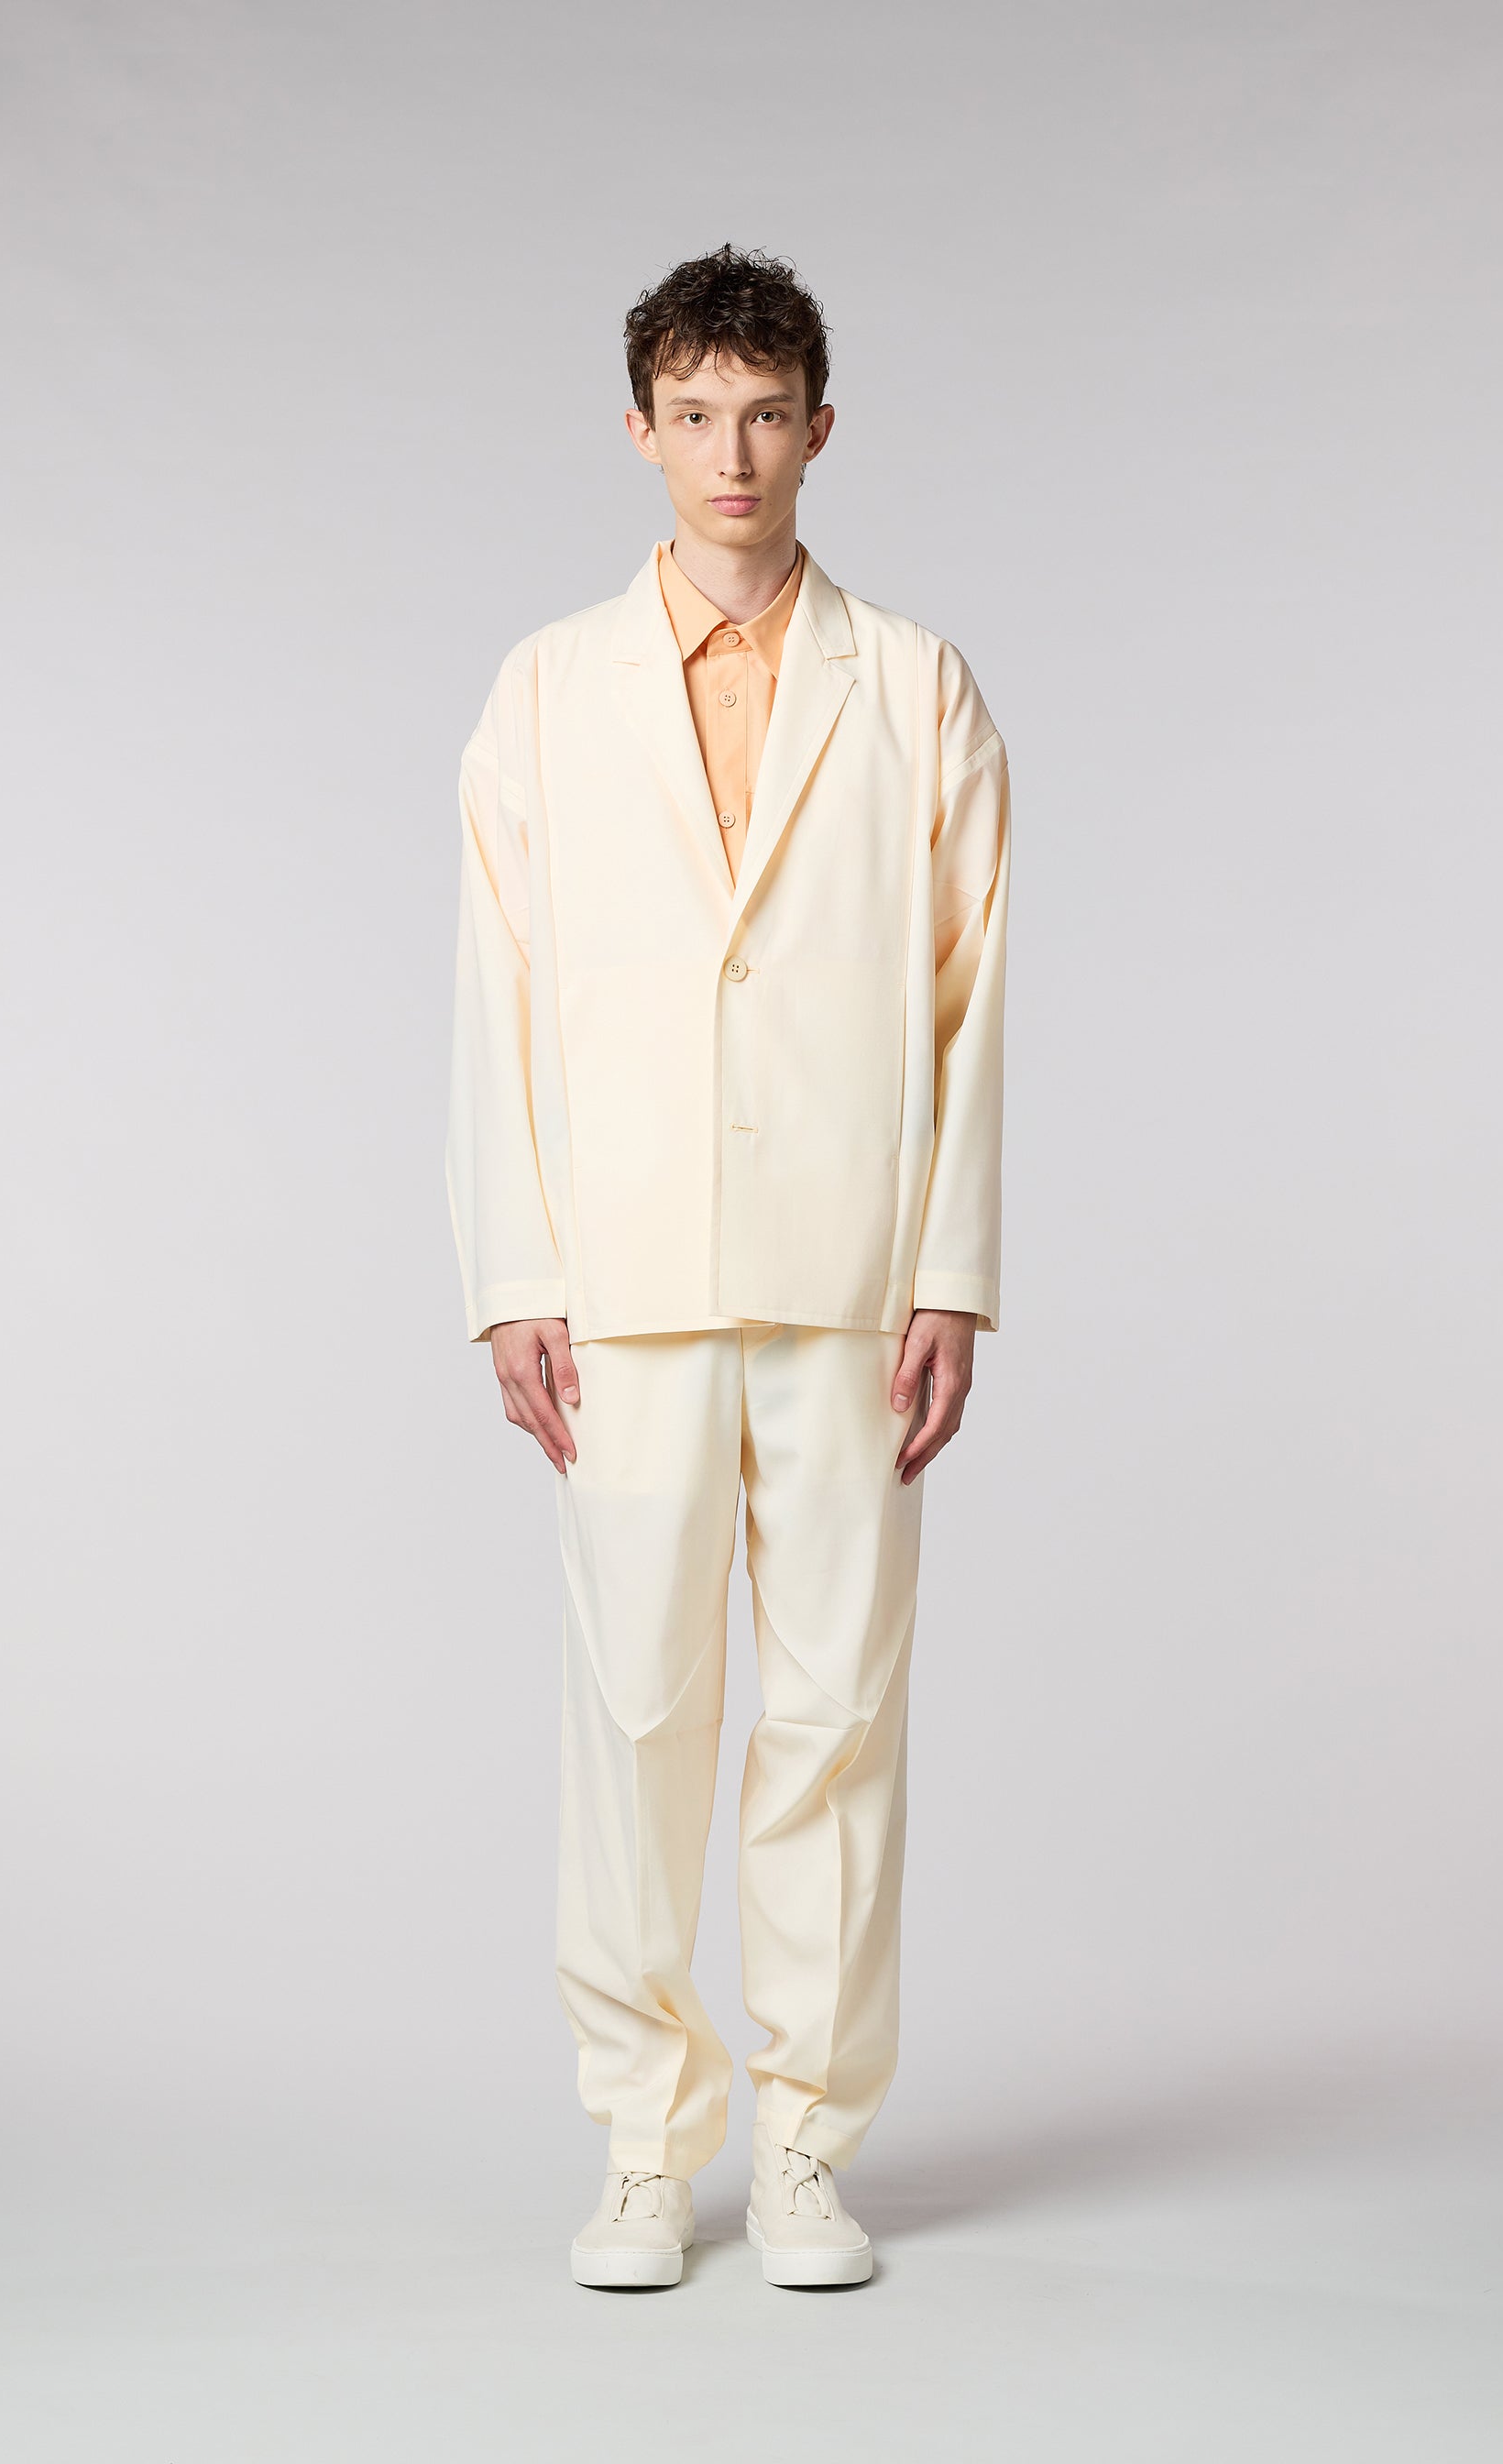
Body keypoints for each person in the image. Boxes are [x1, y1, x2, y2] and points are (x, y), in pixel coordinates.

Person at [445, 244, 1011, 2290]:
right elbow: (497, 991)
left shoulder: (918, 686)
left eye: (767, 412)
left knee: (837, 1717)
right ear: (640, 431)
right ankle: (638, 2143)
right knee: (636, 1714)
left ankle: (802, 2148)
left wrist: (954, 1272)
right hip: (629, 1280)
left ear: (821, 427)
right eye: (695, 415)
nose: (733, 454)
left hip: (851, 1278)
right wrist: (516, 1270)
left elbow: (971, 992)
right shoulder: (544, 692)